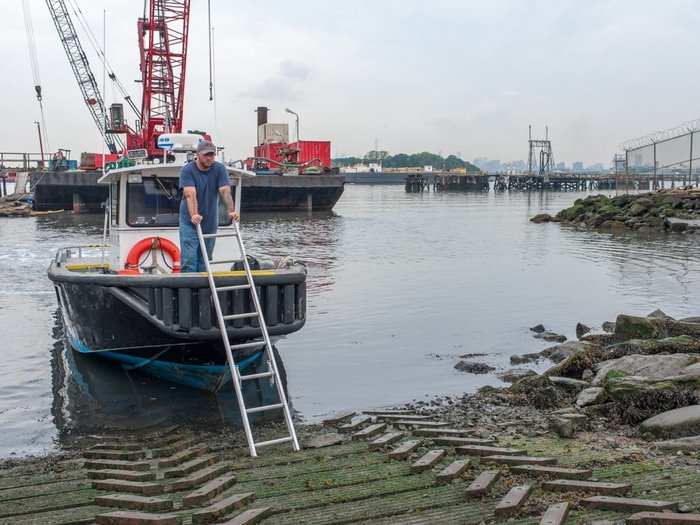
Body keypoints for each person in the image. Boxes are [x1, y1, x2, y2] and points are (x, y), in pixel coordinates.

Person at [179, 140, 240, 272]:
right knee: (189, 260)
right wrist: (194, 215)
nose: (209, 158)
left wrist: (232, 211)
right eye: (206, 155)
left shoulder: (219, 169)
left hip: (210, 221)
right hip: (189, 222)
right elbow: (190, 194)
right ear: (198, 154)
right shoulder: (187, 170)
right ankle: (186, 290)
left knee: (205, 260)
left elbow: (225, 191)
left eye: (212, 155)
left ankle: (203, 291)